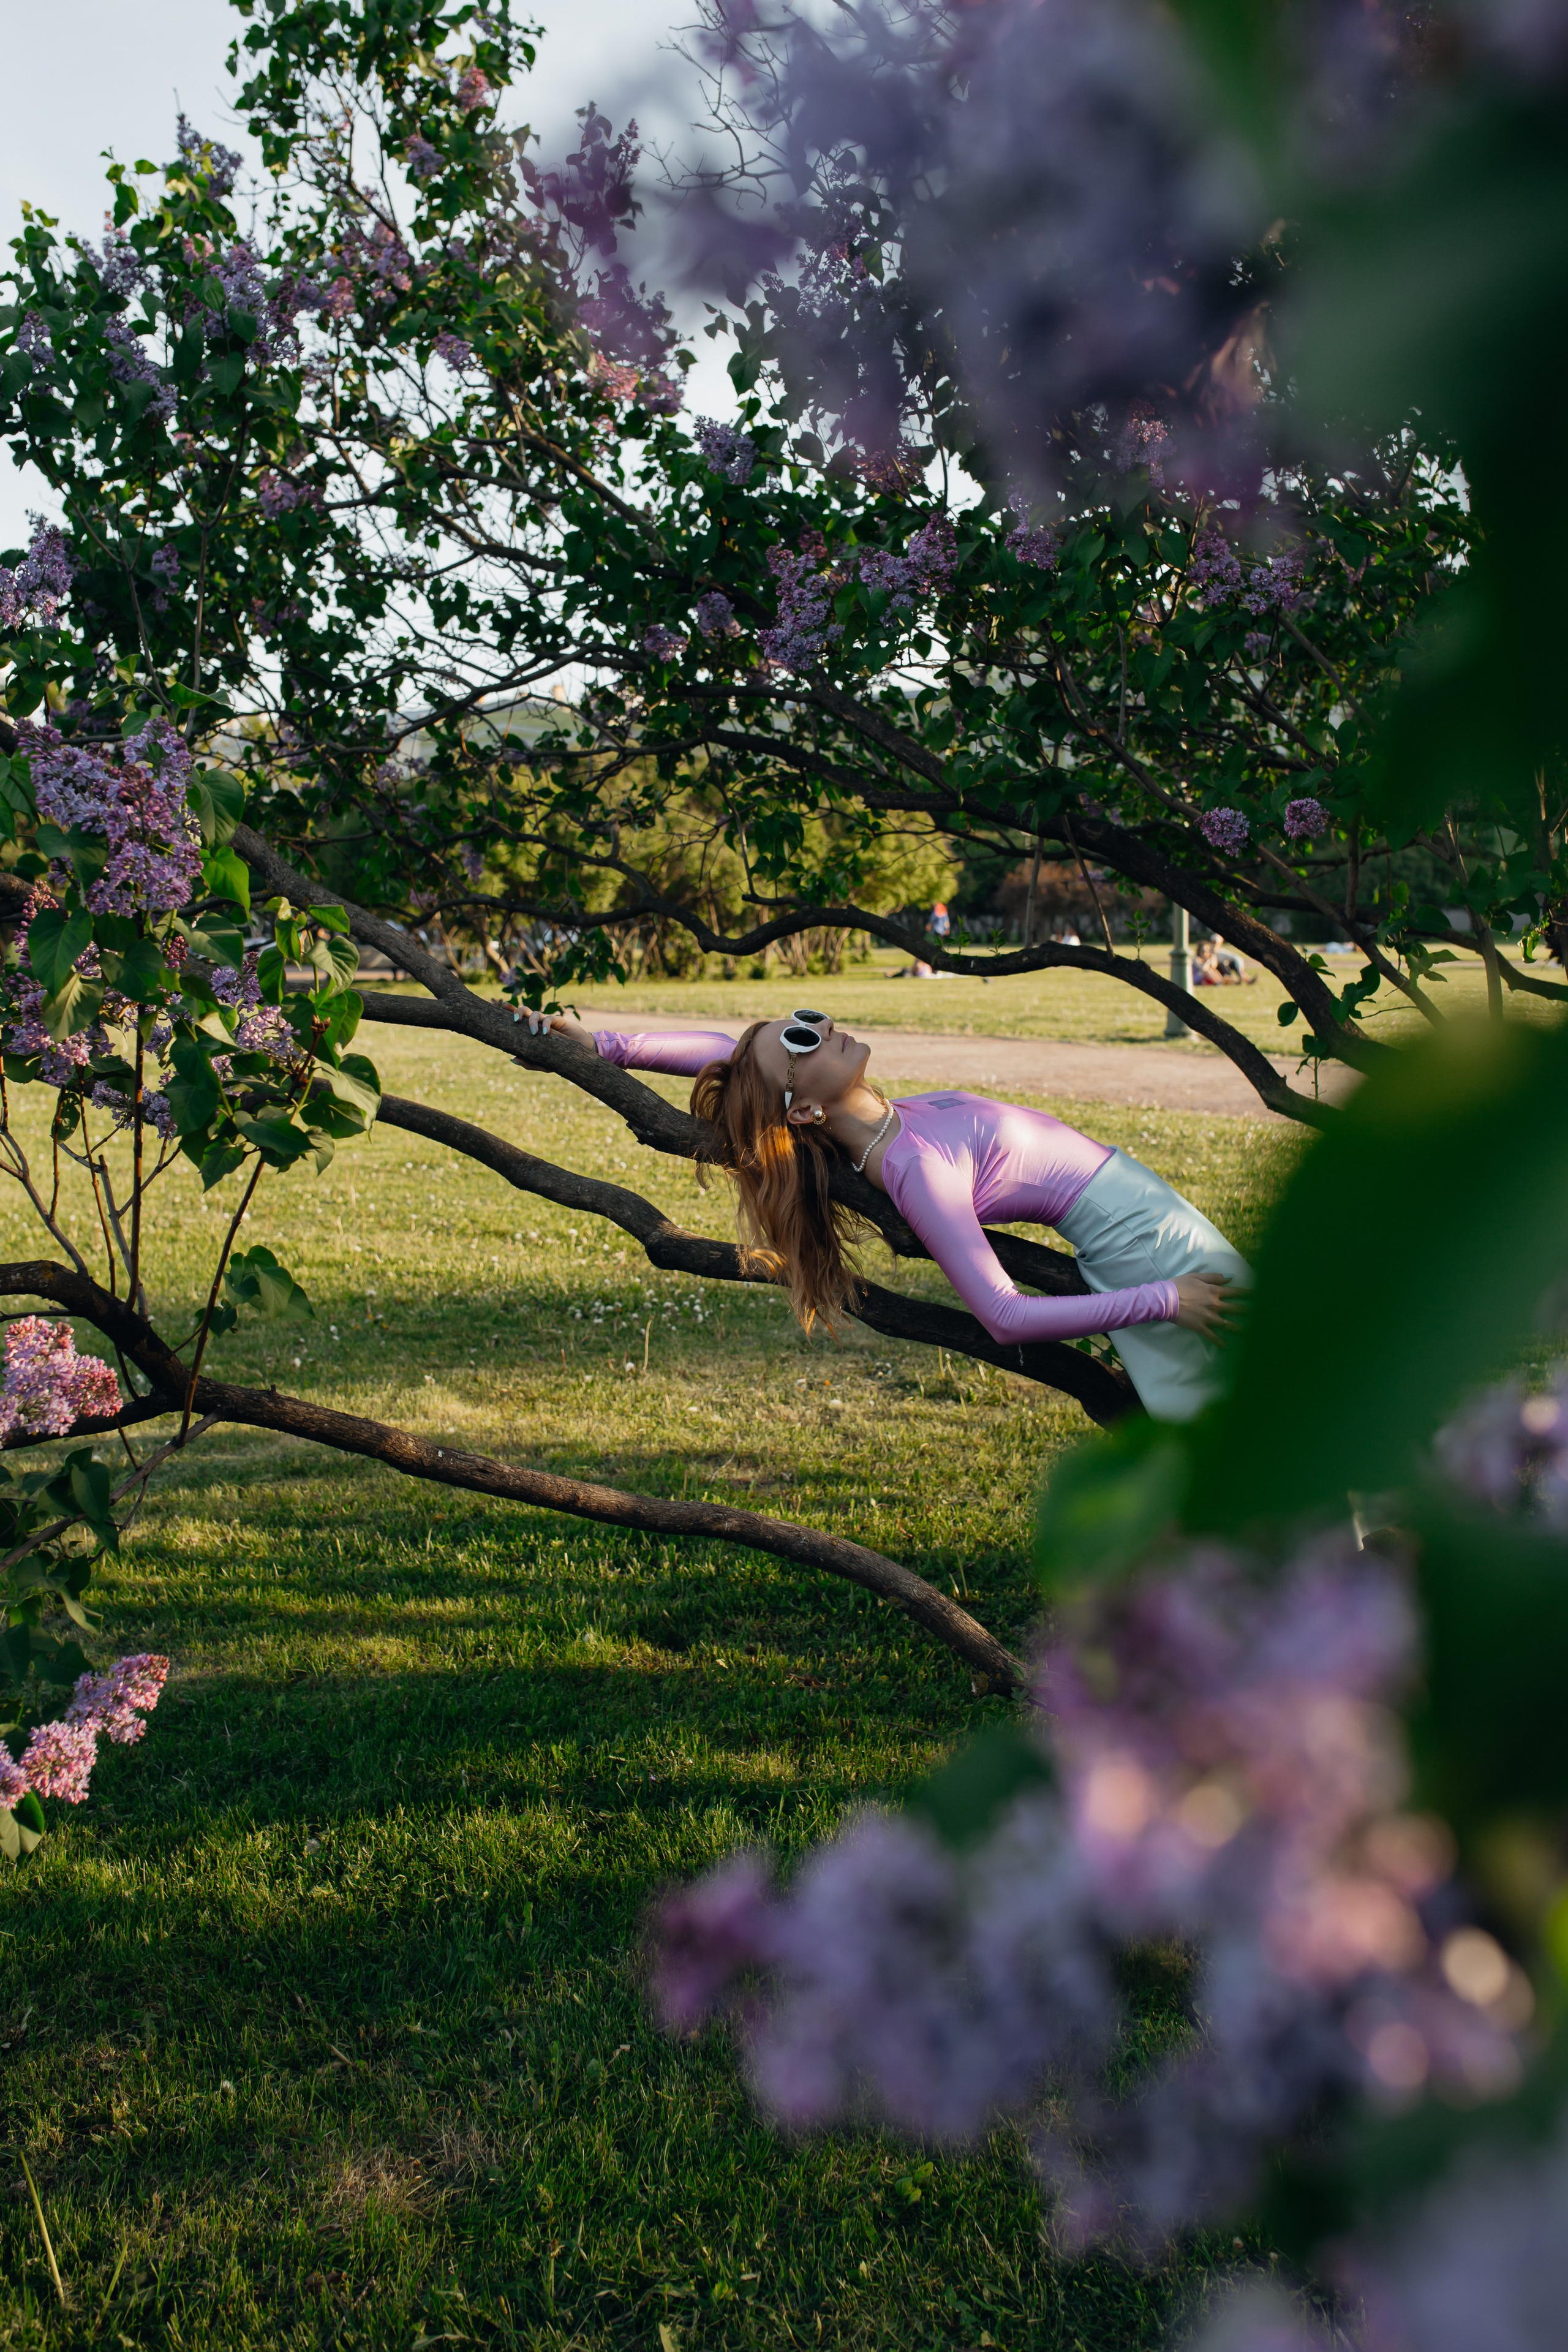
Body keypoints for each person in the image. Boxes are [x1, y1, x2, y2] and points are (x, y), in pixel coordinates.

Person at [527, 1009, 1250, 1422]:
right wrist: (1166, 1300)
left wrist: (604, 1046)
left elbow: (731, 1052)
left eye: (809, 1019)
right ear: (804, 1109)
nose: (823, 1026)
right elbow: (1004, 1316)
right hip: (1154, 1255)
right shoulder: (917, 1171)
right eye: (804, 1040)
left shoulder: (891, 1124)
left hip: (1156, 1233)